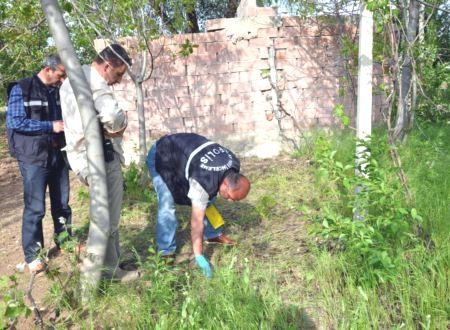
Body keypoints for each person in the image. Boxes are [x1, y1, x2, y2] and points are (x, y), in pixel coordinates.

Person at [59, 44, 138, 282]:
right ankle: (110, 273)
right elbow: (113, 118)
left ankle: (112, 262)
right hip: (95, 160)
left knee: (108, 214)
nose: (118, 81)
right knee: (107, 216)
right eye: (118, 75)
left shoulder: (76, 77)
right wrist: (115, 127)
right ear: (107, 66)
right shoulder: (92, 82)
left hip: (94, 158)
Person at [146, 133, 251, 277]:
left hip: (183, 156)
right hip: (162, 156)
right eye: (231, 197)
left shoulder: (233, 163)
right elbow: (197, 222)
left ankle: (213, 234)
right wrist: (199, 255)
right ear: (226, 184)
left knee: (210, 197)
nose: (230, 201)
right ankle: (166, 251)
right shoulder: (203, 180)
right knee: (167, 204)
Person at [6, 54, 72, 274]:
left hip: (57, 155)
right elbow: (16, 122)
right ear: (48, 69)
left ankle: (65, 242)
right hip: (33, 158)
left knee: (62, 204)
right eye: (60, 75)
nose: (62, 80)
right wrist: (49, 126)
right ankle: (34, 256)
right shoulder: (22, 89)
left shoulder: (58, 91)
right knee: (35, 209)